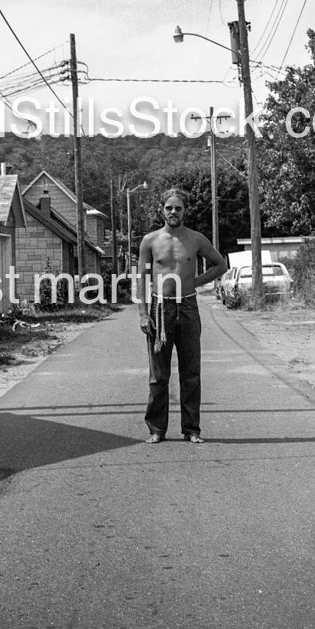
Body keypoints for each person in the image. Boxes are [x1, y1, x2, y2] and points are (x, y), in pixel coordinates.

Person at [137, 187, 227, 444]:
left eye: (178, 208)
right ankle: (156, 429)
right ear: (161, 210)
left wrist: (194, 282)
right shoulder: (150, 241)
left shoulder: (196, 238)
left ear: (185, 211)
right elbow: (141, 279)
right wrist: (143, 313)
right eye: (169, 208)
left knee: (191, 372)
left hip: (187, 307)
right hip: (160, 309)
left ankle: (191, 429)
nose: (173, 212)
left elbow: (220, 265)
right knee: (158, 375)